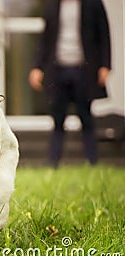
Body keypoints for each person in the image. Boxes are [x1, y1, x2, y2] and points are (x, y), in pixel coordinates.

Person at [29, 0, 111, 167]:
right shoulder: (52, 5)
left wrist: (105, 65)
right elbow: (45, 39)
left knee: (86, 117)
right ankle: (52, 163)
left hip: (84, 69)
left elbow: (104, 35)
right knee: (58, 118)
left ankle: (92, 162)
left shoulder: (93, 4)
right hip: (58, 69)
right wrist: (37, 67)